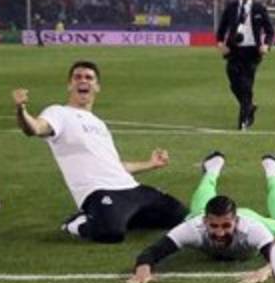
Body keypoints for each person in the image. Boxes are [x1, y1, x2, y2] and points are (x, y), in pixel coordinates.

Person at [13, 61, 188, 243]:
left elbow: (115, 166)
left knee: (182, 216)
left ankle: (124, 216)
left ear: (97, 87)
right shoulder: (58, 113)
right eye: (77, 77)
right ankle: (76, 222)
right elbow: (34, 128)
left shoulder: (99, 124)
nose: (83, 81)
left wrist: (150, 164)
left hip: (131, 188)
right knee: (110, 234)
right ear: (69, 84)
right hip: (99, 191)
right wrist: (21, 110)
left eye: (89, 78)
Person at [125, 152, 275, 283]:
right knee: (197, 211)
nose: (220, 232)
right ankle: (213, 166)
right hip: (200, 215)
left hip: (250, 216)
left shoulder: (252, 229)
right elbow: (152, 252)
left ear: (236, 221)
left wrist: (265, 270)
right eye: (214, 226)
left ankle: (273, 170)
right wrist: (142, 271)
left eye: (226, 226)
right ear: (206, 222)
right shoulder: (194, 227)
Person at [216, 0, 274, 130]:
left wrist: (266, 45)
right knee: (234, 83)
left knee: (246, 86)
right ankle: (250, 106)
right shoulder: (231, 7)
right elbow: (221, 29)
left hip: (252, 53)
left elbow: (270, 31)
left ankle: (243, 122)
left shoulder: (259, 8)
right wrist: (221, 43)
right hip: (234, 51)